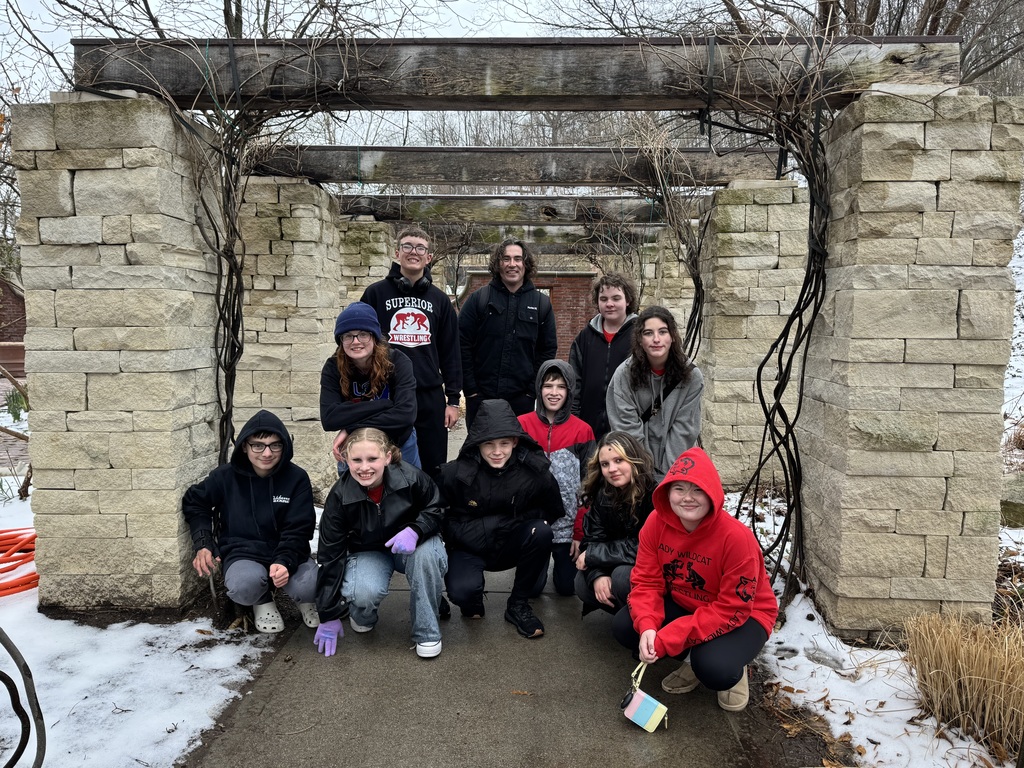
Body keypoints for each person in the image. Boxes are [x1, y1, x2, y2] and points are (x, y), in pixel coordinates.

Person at [613, 446, 779, 712]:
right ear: (667, 492)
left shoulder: (736, 539)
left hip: (744, 615)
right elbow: (646, 582)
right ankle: (692, 658)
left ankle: (734, 666)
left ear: (712, 493)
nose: (687, 498)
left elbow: (732, 608)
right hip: (689, 603)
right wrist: (648, 626)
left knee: (715, 669)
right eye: (679, 488)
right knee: (625, 626)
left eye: (698, 489)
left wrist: (668, 638)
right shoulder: (656, 523)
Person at [312, 428, 448, 659]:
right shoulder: (339, 496)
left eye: (372, 458)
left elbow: (438, 508)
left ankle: (426, 632)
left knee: (427, 558)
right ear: (346, 460)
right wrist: (328, 613)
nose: (365, 467)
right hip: (369, 551)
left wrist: (416, 529)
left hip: (413, 545)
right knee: (364, 591)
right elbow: (330, 553)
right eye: (356, 460)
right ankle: (362, 614)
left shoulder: (412, 477)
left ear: (387, 457)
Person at [182, 410, 318, 634]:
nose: (267, 453)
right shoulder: (225, 476)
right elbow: (195, 502)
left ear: (284, 446)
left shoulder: (296, 478)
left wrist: (284, 561)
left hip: (289, 552)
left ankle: (305, 601)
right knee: (243, 586)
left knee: (311, 586)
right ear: (245, 446)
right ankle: (262, 601)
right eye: (258, 445)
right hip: (243, 552)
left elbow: (299, 527)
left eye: (275, 445)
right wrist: (203, 543)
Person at [438, 399, 563, 638]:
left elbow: (553, 509)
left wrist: (511, 525)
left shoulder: (534, 472)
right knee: (463, 592)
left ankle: (518, 604)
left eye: (504, 443)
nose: (497, 452)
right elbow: (438, 515)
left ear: (515, 441)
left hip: (510, 544)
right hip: (469, 546)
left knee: (542, 532)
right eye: (489, 444)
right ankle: (472, 599)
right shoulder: (455, 473)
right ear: (477, 444)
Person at [359, 227, 462, 479]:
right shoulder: (375, 294)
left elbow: (451, 351)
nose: (413, 252)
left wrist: (452, 400)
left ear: (428, 257)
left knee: (432, 464)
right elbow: (358, 343)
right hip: (385, 392)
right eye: (407, 246)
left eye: (420, 248)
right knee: (385, 461)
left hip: (428, 396)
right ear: (397, 252)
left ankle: (429, 515)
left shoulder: (440, 300)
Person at [458, 238, 557, 428]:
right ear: (498, 263)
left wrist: (531, 392)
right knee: (480, 454)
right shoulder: (479, 299)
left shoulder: (541, 304)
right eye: (506, 259)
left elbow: (547, 350)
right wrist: (470, 390)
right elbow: (462, 344)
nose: (512, 264)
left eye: (518, 259)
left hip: (522, 401)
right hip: (480, 398)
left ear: (526, 264)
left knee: (518, 453)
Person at [517, 359, 594, 597]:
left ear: (569, 390)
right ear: (539, 388)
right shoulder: (521, 425)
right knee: (532, 590)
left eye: (561, 386)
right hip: (535, 526)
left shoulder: (583, 430)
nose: (554, 392)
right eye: (548, 385)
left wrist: (580, 535)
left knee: (567, 588)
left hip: (567, 528)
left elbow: (589, 485)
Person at [606, 305, 704, 479]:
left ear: (672, 336)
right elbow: (627, 428)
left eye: (663, 332)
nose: (656, 339)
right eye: (648, 333)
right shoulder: (624, 375)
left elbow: (683, 430)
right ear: (640, 339)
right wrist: (646, 476)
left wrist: (668, 478)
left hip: (675, 468)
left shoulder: (692, 377)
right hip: (636, 470)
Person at [320, 302, 420, 468]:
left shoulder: (397, 361)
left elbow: (406, 414)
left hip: (398, 442)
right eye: (348, 336)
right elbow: (330, 418)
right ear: (341, 341)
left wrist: (349, 427)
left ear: (374, 337)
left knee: (408, 491)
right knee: (353, 494)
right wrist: (386, 405)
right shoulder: (333, 367)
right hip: (355, 447)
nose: (356, 341)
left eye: (363, 334)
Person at [574, 431, 655, 616]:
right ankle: (627, 617)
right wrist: (598, 575)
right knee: (581, 582)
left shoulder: (654, 495)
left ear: (634, 460)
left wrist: (594, 555)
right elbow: (592, 539)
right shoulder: (604, 494)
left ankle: (640, 621)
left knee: (621, 577)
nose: (611, 469)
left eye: (619, 460)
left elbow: (646, 547)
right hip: (616, 561)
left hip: (650, 571)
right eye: (605, 464)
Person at [569, 272, 639, 440]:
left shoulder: (639, 335)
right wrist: (574, 418)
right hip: (587, 426)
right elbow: (574, 382)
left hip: (626, 427)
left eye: (616, 298)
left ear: (627, 300)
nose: (609, 304)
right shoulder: (584, 337)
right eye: (604, 299)